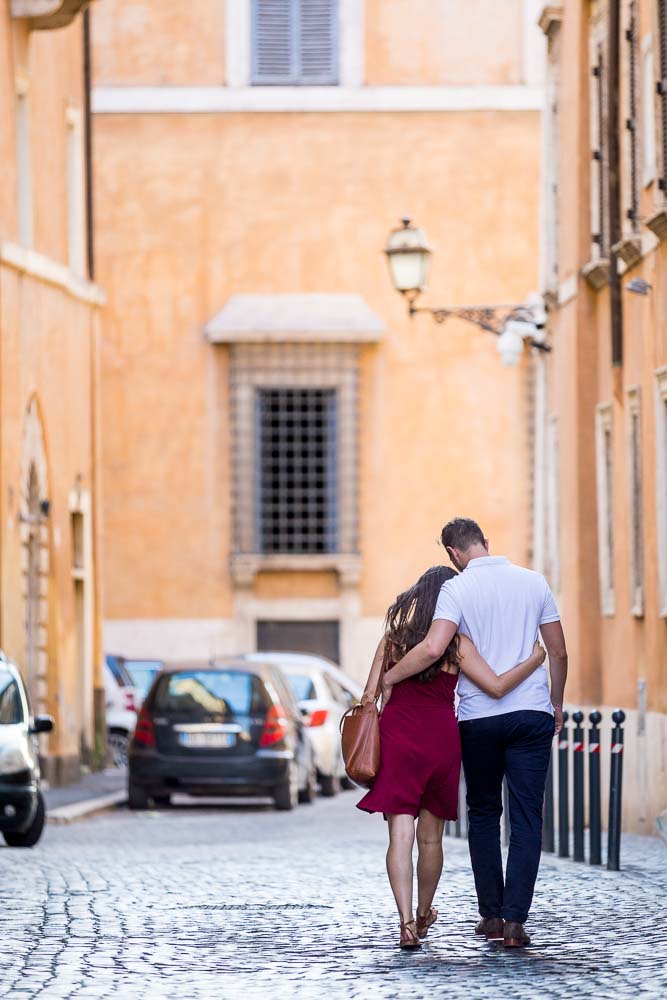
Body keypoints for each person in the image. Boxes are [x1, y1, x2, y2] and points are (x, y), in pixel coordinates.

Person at [382, 518, 568, 949]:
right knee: (527, 817)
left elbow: (432, 647)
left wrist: (390, 678)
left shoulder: (457, 588)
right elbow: (557, 650)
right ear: (486, 542)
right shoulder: (534, 581)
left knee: (483, 813)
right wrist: (556, 702)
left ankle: (491, 915)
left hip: (478, 719)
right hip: (529, 714)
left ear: (453, 554)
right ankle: (517, 920)